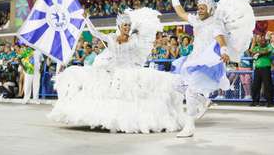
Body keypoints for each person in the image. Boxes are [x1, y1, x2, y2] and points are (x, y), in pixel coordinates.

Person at [49, 7, 185, 134]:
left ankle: (134, 121)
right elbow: (95, 33)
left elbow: (140, 49)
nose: (127, 28)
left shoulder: (134, 40)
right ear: (120, 27)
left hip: (130, 71)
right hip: (114, 71)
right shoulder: (111, 38)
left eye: (129, 25)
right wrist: (87, 20)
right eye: (125, 25)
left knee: (133, 96)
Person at [169, 0, 255, 137]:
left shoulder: (215, 23)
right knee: (176, 84)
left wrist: (223, 51)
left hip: (208, 62)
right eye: (199, 7)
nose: (199, 9)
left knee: (191, 91)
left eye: (202, 7)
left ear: (210, 9)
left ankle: (189, 126)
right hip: (194, 59)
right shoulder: (196, 21)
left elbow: (220, 38)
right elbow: (180, 12)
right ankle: (204, 101)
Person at [250, 36, 274, 107]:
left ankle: (269, 102)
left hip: (266, 68)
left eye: (263, 41)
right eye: (260, 41)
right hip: (257, 69)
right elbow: (252, 54)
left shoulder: (268, 46)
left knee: (267, 85)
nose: (262, 42)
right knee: (255, 85)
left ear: (266, 41)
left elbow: (267, 51)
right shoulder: (257, 47)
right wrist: (259, 53)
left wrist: (258, 53)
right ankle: (255, 101)